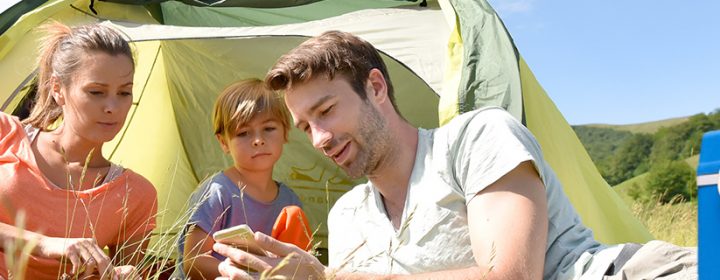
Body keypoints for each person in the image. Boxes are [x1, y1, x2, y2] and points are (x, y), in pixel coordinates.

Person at [213, 31, 697, 280]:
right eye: (304, 127)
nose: (318, 138)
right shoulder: (347, 217)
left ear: (375, 88)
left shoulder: (475, 139)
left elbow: (510, 278)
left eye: (326, 111)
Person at [0, 22, 158, 279]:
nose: (113, 107)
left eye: (124, 92)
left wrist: (118, 274)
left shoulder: (136, 194)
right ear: (57, 89)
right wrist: (45, 243)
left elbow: (124, 268)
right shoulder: (5, 133)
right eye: (96, 92)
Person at [176, 79, 311, 279]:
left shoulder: (289, 201)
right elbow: (193, 261)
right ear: (224, 142)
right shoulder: (217, 192)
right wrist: (232, 272)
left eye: (269, 129)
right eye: (243, 133)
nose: (258, 140)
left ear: (285, 131)